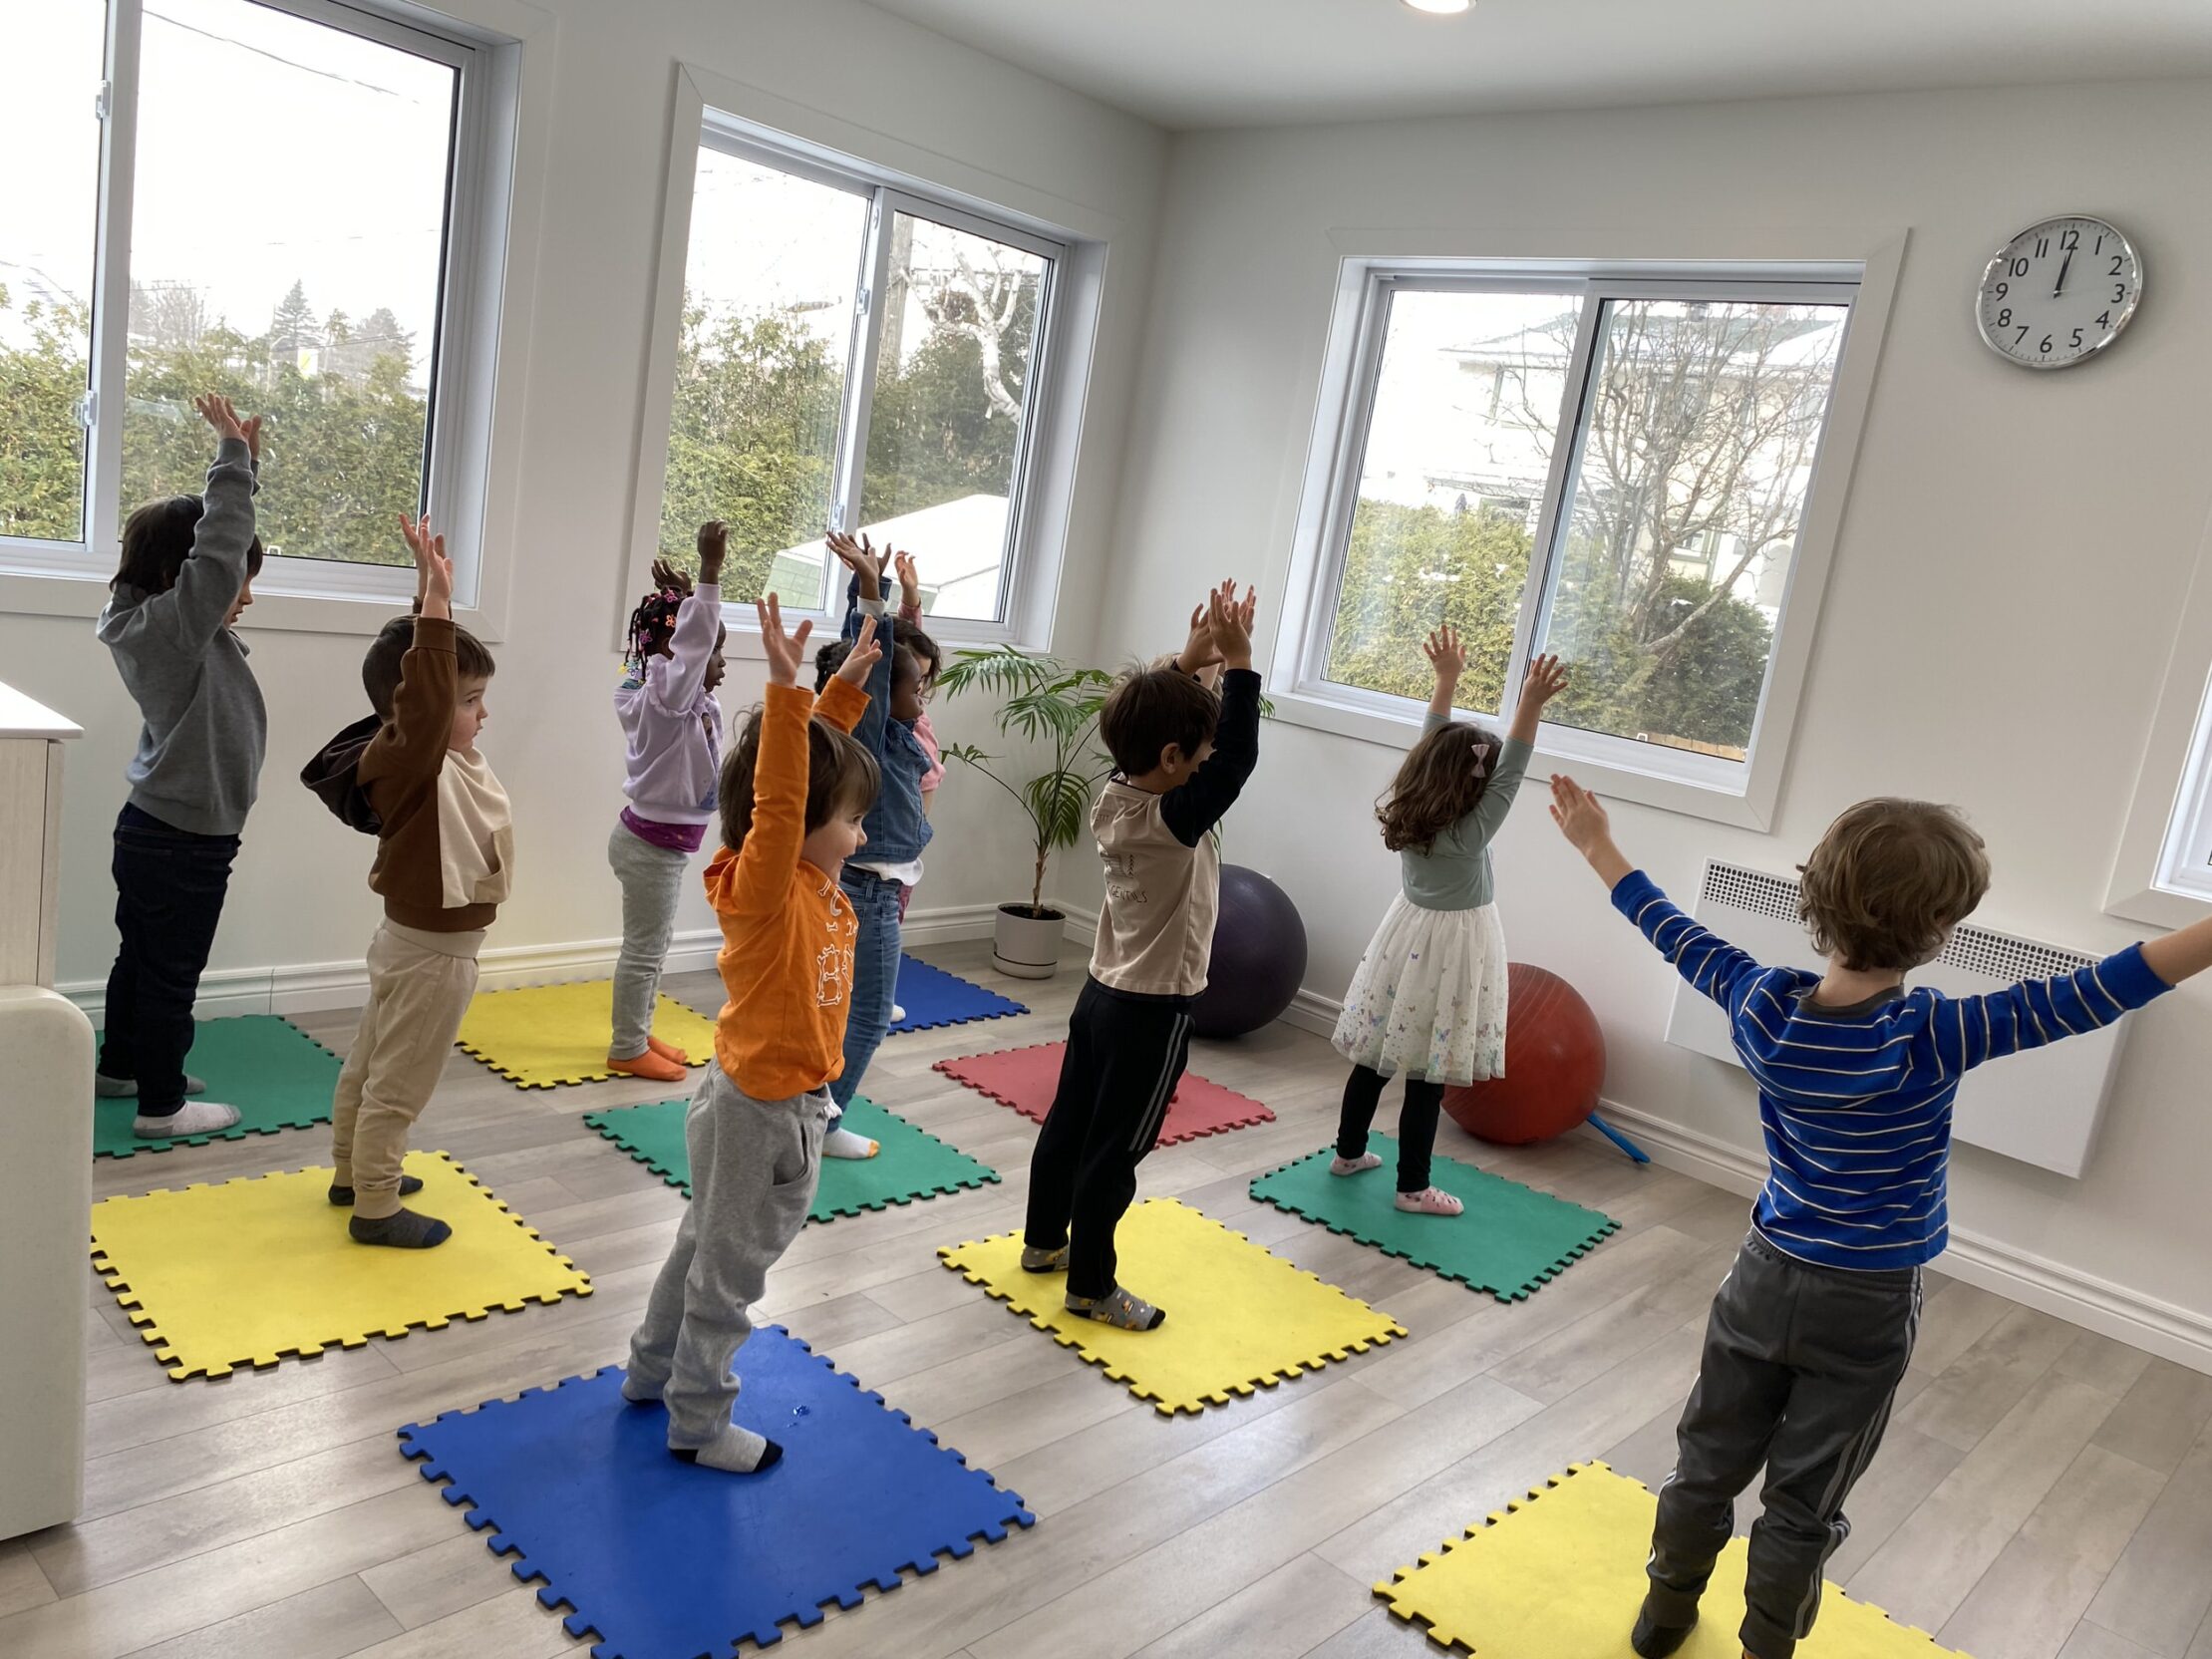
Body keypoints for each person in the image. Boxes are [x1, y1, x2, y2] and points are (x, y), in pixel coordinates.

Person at [1546, 779, 2212, 1659]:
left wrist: (1596, 843)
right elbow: (2098, 991)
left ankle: (1664, 1613)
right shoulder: (1934, 1034)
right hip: (1865, 1299)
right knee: (1802, 1499)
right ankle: (1763, 1649)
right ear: (1940, 931)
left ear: (1812, 903)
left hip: (1761, 1272)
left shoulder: (1757, 1004)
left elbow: (1670, 929)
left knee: (1705, 1462)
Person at [623, 602, 883, 1474]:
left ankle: (648, 1371)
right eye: (850, 820)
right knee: (728, 1278)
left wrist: (834, 695)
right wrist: (781, 692)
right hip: (762, 1115)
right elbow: (784, 799)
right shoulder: (770, 890)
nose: (861, 833)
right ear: (801, 826)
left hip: (768, 1099)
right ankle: (697, 1421)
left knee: (702, 1243)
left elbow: (803, 785)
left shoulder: (800, 872)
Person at [1021, 581, 1262, 1330]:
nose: (1205, 764)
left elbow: (1152, 723)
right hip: (1153, 1009)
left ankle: (1041, 1243)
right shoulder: (1174, 820)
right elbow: (1237, 759)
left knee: (1068, 1125)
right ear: (1172, 757)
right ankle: (1091, 1286)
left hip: (1100, 995)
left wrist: (1189, 662)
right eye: (1195, 755)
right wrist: (1242, 664)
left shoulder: (1115, 796)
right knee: (1113, 1154)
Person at [1329, 629, 1567, 1215]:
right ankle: (1413, 1188)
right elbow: (1511, 770)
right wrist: (1531, 705)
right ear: (1475, 788)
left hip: (1404, 935)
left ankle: (1348, 1152)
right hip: (1455, 947)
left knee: (1378, 1056)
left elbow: (1435, 742)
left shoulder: (1414, 806)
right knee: (1428, 1074)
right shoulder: (1471, 830)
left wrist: (1446, 681)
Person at [322, 514, 508, 1248]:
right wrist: (433, 607)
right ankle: (374, 1207)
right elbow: (423, 693)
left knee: (369, 1062)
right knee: (398, 1084)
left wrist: (432, 598)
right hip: (433, 957)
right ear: (422, 710)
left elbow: (420, 678)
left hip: (409, 943)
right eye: (469, 701)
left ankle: (349, 1173)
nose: (480, 712)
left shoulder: (415, 753)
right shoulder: (411, 758)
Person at [94, 394, 266, 1138]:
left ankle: (123, 1067)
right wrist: (235, 462)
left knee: (142, 956)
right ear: (183, 579)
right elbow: (217, 549)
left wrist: (246, 473)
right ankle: (162, 1106)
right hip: (183, 838)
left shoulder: (155, 624)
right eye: (237, 583)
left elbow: (215, 551)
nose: (244, 595)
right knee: (172, 973)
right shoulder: (175, 630)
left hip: (157, 830)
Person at [804, 529, 938, 1160]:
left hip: (878, 886)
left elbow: (870, 658)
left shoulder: (899, 734)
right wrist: (869, 592)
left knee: (853, 1009)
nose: (922, 698)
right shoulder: (877, 730)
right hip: (870, 893)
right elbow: (870, 667)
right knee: (867, 1015)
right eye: (916, 689)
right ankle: (823, 1124)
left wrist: (895, 600)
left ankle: (815, 1116)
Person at [605, 521, 731, 1084]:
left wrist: (679, 598)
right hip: (650, 848)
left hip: (656, 844)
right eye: (714, 653)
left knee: (654, 947)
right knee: (645, 950)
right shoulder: (666, 701)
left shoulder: (659, 689)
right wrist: (708, 576)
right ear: (674, 652)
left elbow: (680, 648)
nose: (721, 664)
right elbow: (687, 651)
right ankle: (626, 1046)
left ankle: (639, 1030)